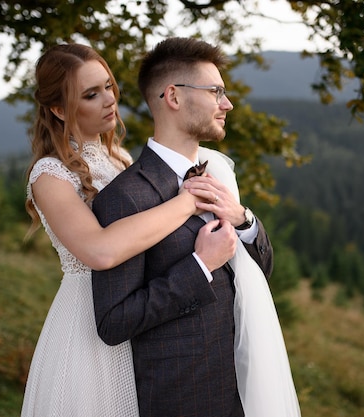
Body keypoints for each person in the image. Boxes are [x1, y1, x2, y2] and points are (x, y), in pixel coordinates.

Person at [20, 43, 236, 417]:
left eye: (108, 86)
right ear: (58, 109)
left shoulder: (120, 160)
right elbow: (100, 251)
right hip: (88, 322)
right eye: (91, 94)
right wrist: (187, 202)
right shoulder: (50, 175)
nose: (108, 100)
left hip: (141, 316)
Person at [92, 37, 300, 417]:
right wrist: (199, 266)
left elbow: (260, 271)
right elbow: (113, 321)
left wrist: (243, 220)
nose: (227, 104)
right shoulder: (125, 197)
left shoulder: (218, 172)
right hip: (182, 398)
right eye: (216, 91)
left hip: (244, 390)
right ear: (173, 96)